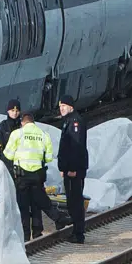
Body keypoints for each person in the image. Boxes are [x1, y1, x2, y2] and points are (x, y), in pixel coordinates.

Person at [4, 109, 54, 240]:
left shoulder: (17, 134)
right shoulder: (44, 134)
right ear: (34, 122)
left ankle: (25, 235)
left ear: (22, 122)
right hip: (38, 175)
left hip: (22, 176)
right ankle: (37, 232)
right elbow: (49, 158)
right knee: (36, 204)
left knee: (23, 206)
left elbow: (7, 154)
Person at [57, 95, 89, 243]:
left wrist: (73, 169)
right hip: (69, 169)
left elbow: (76, 148)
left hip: (74, 170)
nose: (61, 109)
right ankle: (76, 231)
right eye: (60, 106)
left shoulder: (75, 122)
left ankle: (79, 233)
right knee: (72, 200)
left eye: (64, 106)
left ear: (71, 107)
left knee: (75, 201)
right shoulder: (69, 121)